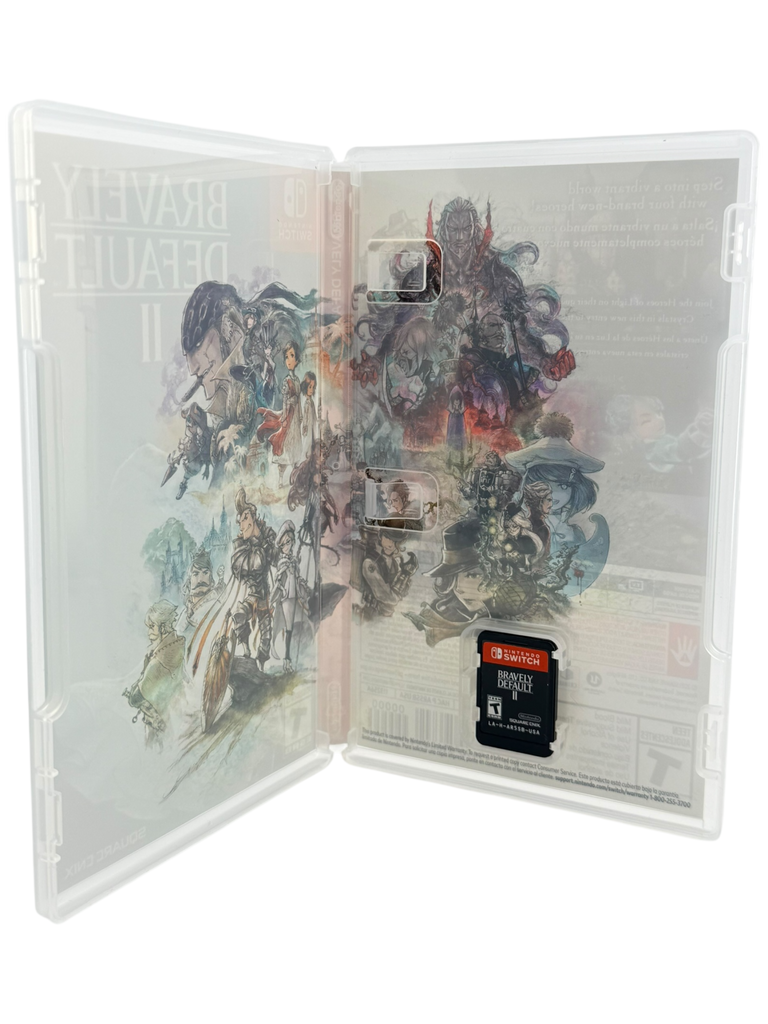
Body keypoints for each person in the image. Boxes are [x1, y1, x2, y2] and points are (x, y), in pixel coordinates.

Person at [123, 601, 185, 749]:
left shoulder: (158, 662)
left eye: (152, 627)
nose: (149, 632)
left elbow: (136, 697)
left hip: (159, 723)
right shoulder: (178, 644)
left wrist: (133, 693)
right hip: (169, 718)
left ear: (162, 627)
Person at [230, 488, 277, 669]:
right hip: (252, 594)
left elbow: (274, 558)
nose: (242, 525)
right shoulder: (241, 545)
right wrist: (257, 544)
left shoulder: (268, 537)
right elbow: (250, 565)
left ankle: (262, 665)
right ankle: (246, 650)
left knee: (266, 634)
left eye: (245, 519)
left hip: (265, 596)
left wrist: (263, 543)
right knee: (239, 615)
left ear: (253, 517)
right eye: (240, 521)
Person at [257, 343, 304, 486]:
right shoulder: (286, 381)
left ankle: (294, 476)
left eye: (292, 356)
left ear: (297, 360)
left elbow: (299, 400)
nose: (289, 360)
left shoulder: (297, 380)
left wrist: (300, 414)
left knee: (294, 443)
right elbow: (284, 399)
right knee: (285, 443)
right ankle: (280, 479)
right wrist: (284, 416)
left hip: (295, 418)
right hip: (288, 415)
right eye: (286, 357)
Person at [271, 521, 310, 671]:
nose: (289, 545)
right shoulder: (283, 562)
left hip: (295, 597)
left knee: (292, 627)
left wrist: (302, 583)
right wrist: (281, 588)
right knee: (288, 628)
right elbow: (278, 580)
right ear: (281, 545)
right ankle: (287, 660)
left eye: (290, 541)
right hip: (287, 598)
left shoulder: (293, 561)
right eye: (286, 543)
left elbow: (297, 577)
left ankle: (289, 659)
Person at [176, 547, 219, 640]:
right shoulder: (185, 611)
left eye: (205, 573)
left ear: (211, 578)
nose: (200, 580)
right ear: (189, 580)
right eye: (195, 574)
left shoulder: (215, 607)